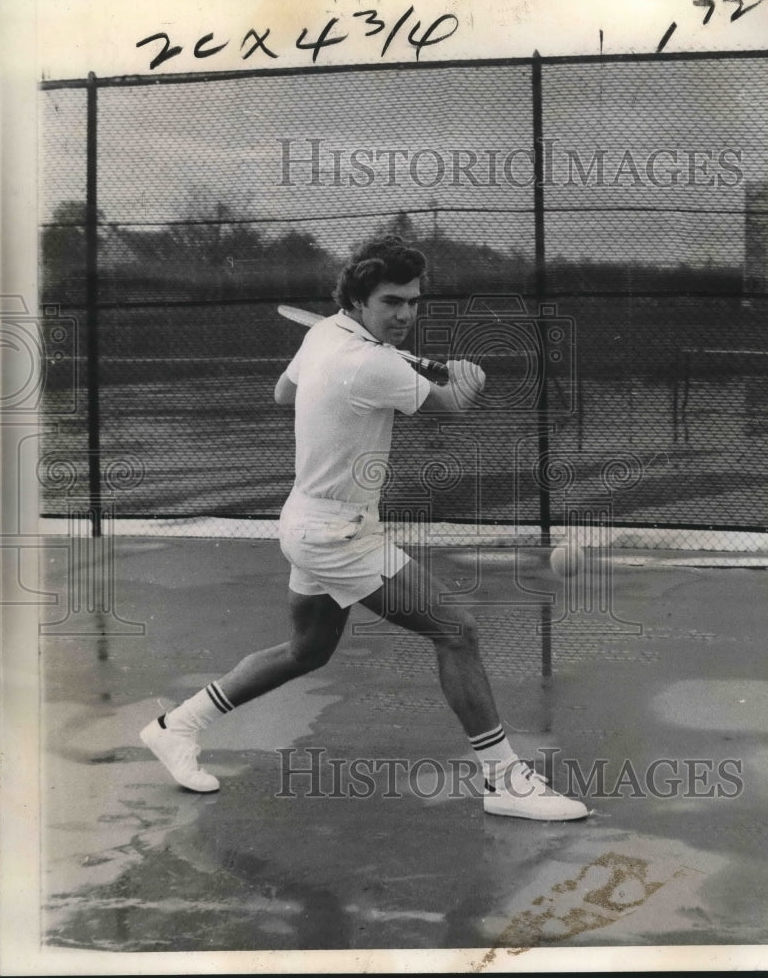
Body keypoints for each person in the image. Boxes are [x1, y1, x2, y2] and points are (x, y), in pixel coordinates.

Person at [140, 235, 588, 821]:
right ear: (358, 300)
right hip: (337, 535)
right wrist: (466, 378)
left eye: (413, 302)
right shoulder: (372, 363)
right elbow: (452, 405)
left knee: (307, 650)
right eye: (391, 302)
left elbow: (283, 392)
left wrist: (369, 376)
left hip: (307, 519)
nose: (404, 314)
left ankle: (177, 726)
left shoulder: (324, 333)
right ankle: (504, 780)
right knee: (457, 633)